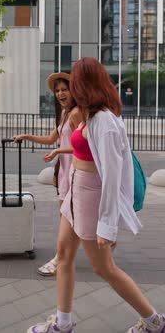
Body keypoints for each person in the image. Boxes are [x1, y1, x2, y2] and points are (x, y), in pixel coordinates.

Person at [27, 57, 165, 333]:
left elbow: (113, 177)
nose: (71, 88)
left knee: (105, 269)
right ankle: (63, 323)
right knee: (64, 255)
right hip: (77, 192)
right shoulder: (88, 113)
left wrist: (108, 225)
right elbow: (80, 150)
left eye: (75, 81)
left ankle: (155, 322)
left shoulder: (105, 121)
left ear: (86, 83)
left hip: (92, 196)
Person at [14, 72, 80, 276]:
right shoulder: (64, 114)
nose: (60, 93)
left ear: (73, 90)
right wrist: (26, 136)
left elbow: (87, 147)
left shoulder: (78, 113)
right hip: (64, 172)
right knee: (68, 216)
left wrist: (60, 151)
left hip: (76, 171)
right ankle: (100, 240)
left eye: (64, 89)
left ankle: (60, 258)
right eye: (57, 90)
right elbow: (52, 139)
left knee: (68, 217)